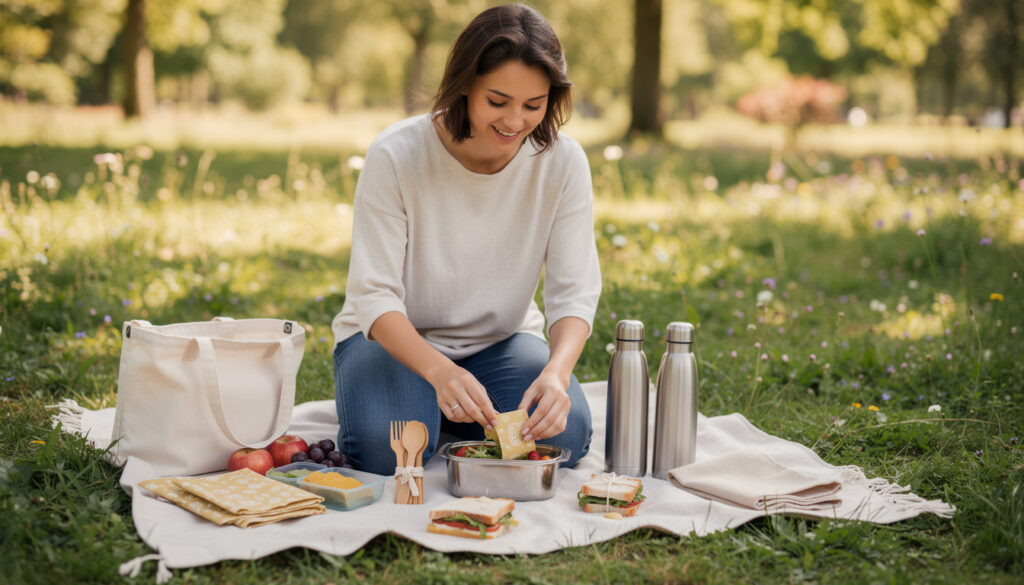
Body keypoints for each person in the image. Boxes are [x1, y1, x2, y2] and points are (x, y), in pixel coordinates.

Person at [331, 3, 601, 476]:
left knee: (566, 437)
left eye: (533, 105)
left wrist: (557, 373)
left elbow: (574, 292)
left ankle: (449, 412)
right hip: (393, 341)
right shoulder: (396, 155)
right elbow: (372, 296)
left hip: (502, 342)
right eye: (497, 101)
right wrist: (439, 372)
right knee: (388, 450)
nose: (515, 122)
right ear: (464, 87)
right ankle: (427, 404)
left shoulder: (563, 162)